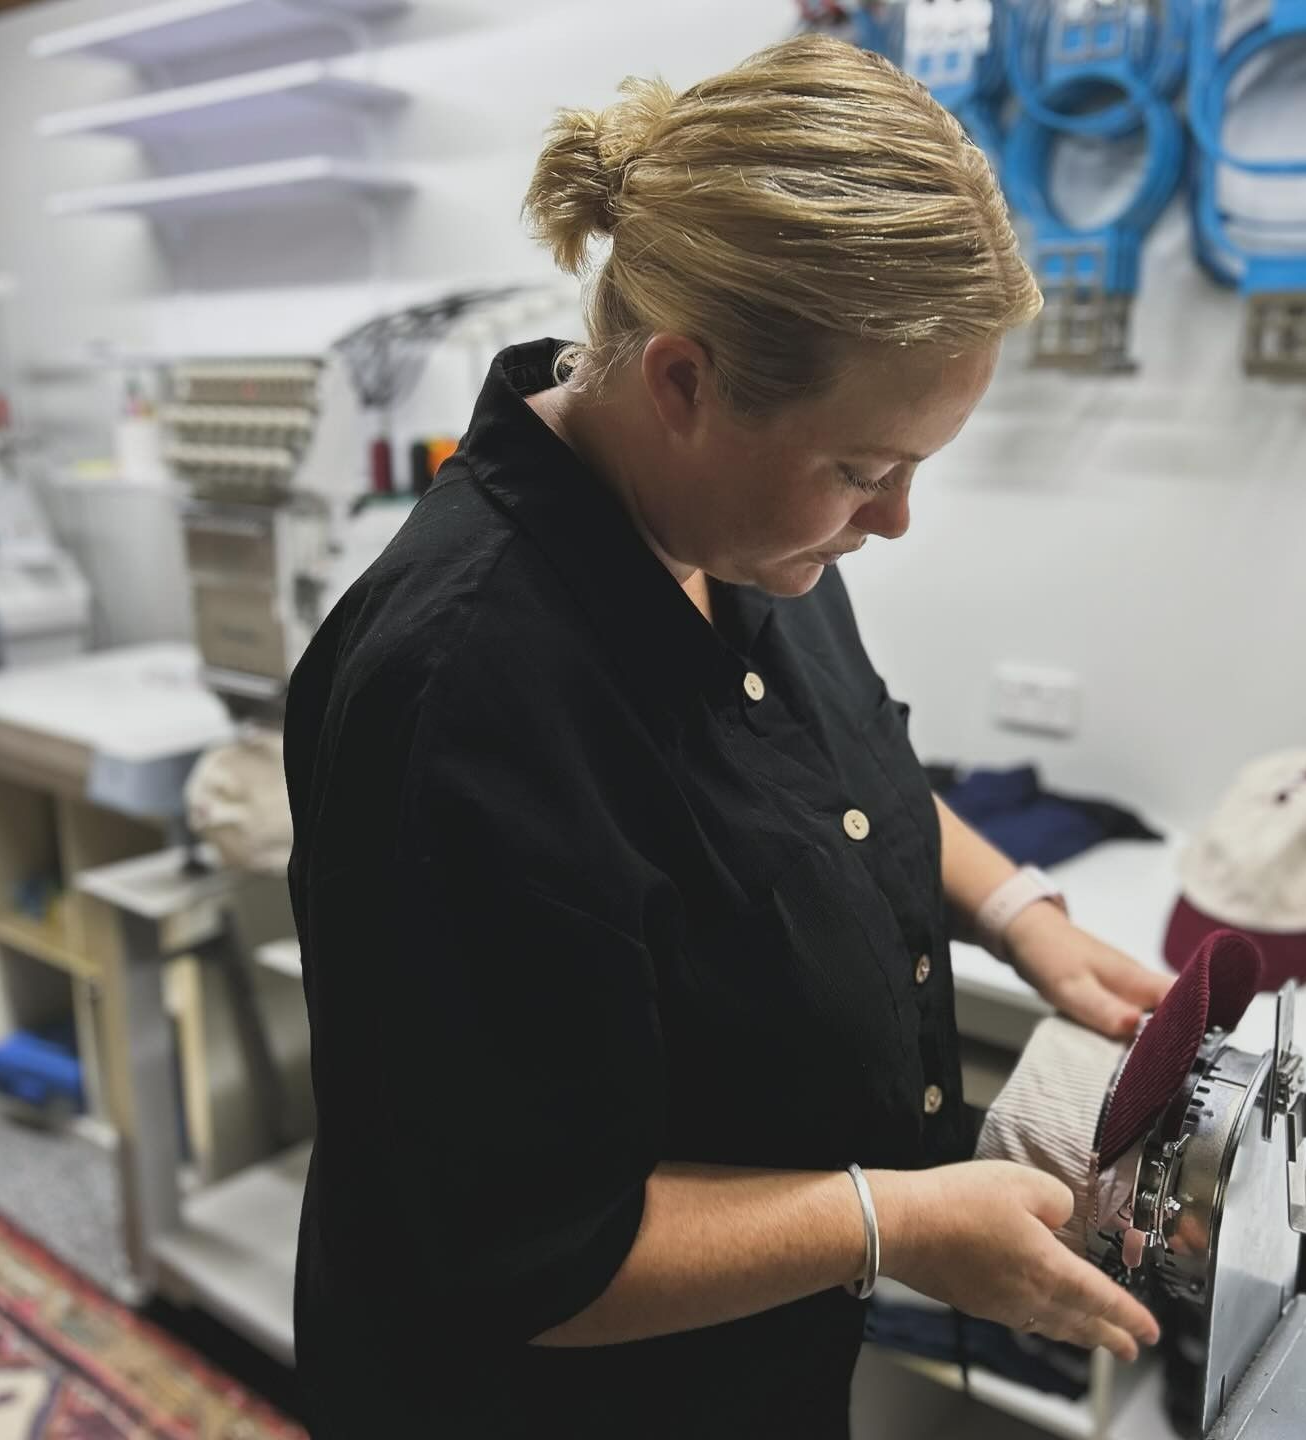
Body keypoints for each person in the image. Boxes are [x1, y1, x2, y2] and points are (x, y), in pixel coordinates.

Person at [283, 32, 1171, 1439]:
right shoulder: (463, 697)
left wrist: (1022, 912)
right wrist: (893, 1222)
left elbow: (841, 780)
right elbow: (525, 1254)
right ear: (684, 382)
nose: (892, 521)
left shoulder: (738, 538)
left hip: (752, 1373)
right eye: (864, 470)